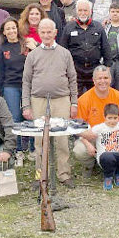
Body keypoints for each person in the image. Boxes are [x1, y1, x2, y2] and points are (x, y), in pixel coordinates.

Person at [22, 18, 79, 188]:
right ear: (39, 33)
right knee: (40, 141)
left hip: (61, 100)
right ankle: (41, 176)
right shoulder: (32, 55)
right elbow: (26, 81)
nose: (46, 35)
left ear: (55, 33)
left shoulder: (64, 53)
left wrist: (74, 102)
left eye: (49, 32)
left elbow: (72, 78)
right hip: (38, 100)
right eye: (43, 32)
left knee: (62, 139)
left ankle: (64, 174)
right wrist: (26, 105)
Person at [73, 66, 119, 175]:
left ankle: (117, 162)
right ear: (94, 80)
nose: (103, 81)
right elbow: (77, 126)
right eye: (99, 78)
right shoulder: (84, 100)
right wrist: (86, 141)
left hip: (114, 137)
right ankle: (90, 166)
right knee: (80, 150)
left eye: (106, 78)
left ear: (110, 79)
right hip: (94, 137)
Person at [0, 17, 31, 163]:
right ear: (4, 32)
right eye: (8, 28)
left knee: (29, 117)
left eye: (13, 27)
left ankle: (33, 148)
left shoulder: (26, 44)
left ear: (18, 29)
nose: (11, 31)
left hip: (28, 85)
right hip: (10, 86)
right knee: (15, 118)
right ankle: (18, 151)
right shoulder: (1, 49)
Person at [59, 0, 111, 94]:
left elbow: (105, 47)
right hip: (75, 70)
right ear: (76, 12)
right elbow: (63, 49)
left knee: (96, 98)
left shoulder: (98, 27)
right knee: (77, 100)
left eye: (85, 10)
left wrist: (107, 67)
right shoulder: (69, 27)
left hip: (94, 69)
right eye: (80, 10)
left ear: (90, 12)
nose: (83, 13)